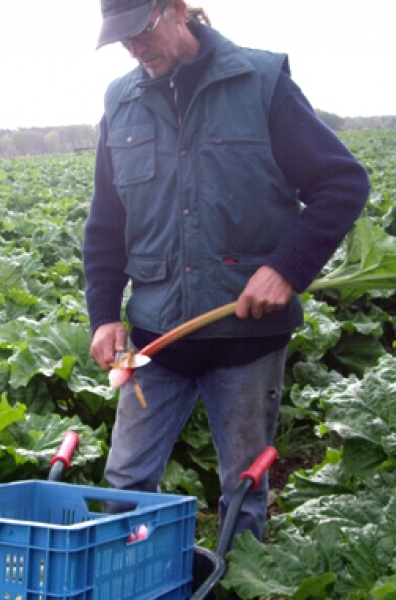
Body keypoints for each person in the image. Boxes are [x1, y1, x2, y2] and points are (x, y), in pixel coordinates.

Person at [83, 0, 369, 555]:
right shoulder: (121, 101)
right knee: (124, 487)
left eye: (141, 32)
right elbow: (106, 225)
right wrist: (101, 317)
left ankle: (239, 585)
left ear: (175, 10)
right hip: (156, 342)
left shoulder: (259, 82)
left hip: (246, 340)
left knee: (243, 492)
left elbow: (343, 183)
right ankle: (133, 582)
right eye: (122, 40)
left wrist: (287, 268)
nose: (135, 49)